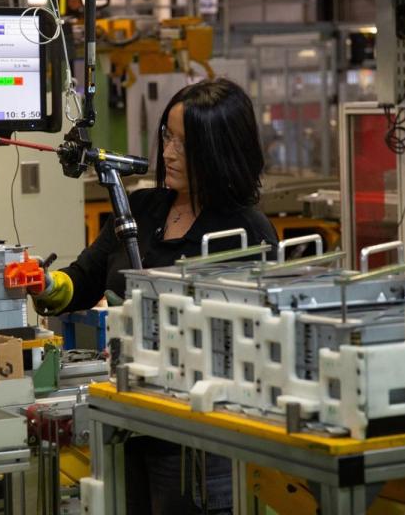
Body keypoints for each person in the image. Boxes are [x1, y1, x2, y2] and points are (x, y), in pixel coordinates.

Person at [33, 78, 276, 514]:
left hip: (198, 435)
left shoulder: (244, 231)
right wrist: (47, 285)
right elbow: (84, 278)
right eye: (167, 136)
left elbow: (249, 341)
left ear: (220, 149)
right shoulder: (143, 208)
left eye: (185, 143)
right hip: (129, 420)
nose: (168, 153)